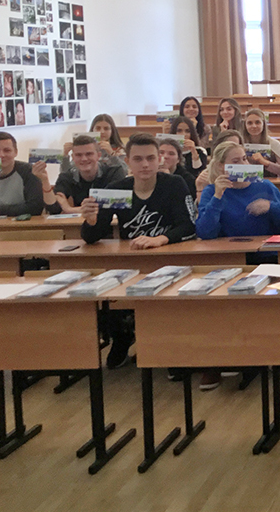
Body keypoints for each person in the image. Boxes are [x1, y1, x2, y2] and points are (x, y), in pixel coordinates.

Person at [80, 133, 197, 368]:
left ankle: (168, 346)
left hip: (170, 259)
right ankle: (123, 337)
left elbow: (189, 226)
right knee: (106, 288)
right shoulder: (117, 189)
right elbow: (92, 237)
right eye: (138, 159)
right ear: (127, 161)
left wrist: (160, 239)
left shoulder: (174, 185)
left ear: (159, 159)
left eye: (150, 158)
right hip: (130, 261)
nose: (145, 164)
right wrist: (91, 221)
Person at [195, 142, 280, 240]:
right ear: (221, 166)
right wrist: (217, 197)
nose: (243, 164)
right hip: (228, 248)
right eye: (236, 161)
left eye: (244, 159)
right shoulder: (211, 191)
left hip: (264, 247)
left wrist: (271, 207)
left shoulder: (266, 186)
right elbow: (205, 232)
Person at [37, 134, 127, 214]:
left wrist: (70, 209)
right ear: (73, 158)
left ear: (98, 156)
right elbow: (54, 209)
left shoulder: (114, 172)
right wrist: (45, 181)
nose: (84, 159)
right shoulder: (66, 176)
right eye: (79, 155)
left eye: (89, 154)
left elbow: (121, 204)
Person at [0, 131, 44, 216]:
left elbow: (35, 207)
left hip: (22, 223)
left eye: (7, 150)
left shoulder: (29, 171)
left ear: (16, 152)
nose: (1, 155)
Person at [240, 108, 280, 177]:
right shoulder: (239, 144)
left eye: (257, 122)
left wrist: (265, 162)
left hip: (269, 181)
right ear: (245, 125)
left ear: (263, 124)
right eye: (250, 123)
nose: (254, 126)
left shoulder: (274, 143)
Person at [196, 130, 243, 196]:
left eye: (236, 145)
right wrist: (199, 187)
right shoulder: (208, 174)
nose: (233, 148)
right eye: (228, 145)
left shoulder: (248, 171)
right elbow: (202, 201)